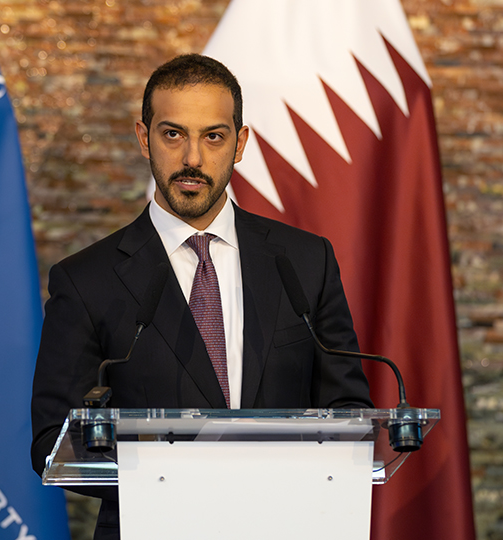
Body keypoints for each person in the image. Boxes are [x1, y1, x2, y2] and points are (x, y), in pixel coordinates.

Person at [30, 54, 372, 540]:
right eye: (173, 134)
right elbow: (51, 439)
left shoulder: (305, 260)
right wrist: (186, 478)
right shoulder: (87, 280)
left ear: (240, 144)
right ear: (144, 138)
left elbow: (349, 412)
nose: (193, 157)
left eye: (213, 136)